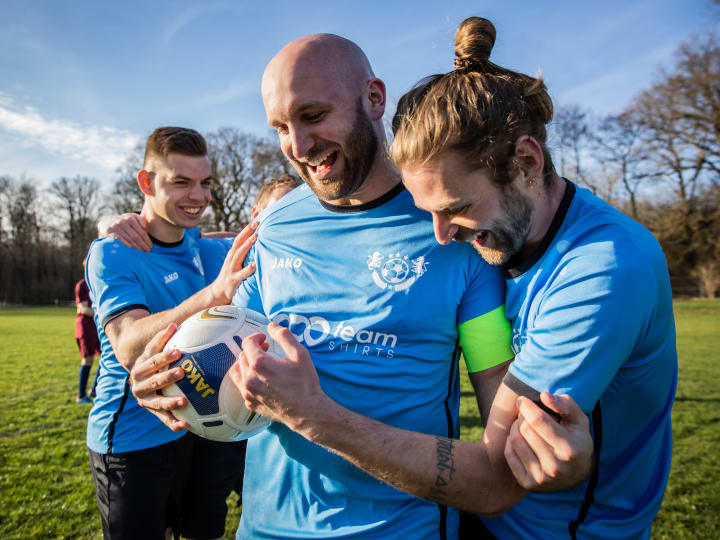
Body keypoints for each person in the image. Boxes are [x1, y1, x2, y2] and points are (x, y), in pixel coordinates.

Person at [129, 34, 594, 539]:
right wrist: (166, 377)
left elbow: (497, 482)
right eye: (281, 127)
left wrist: (314, 415)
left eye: (312, 116)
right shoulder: (278, 224)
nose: (298, 147)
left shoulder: (456, 230)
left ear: (374, 98)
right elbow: (229, 348)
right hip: (262, 528)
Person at [389, 17, 678, 539]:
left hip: (562, 529)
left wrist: (313, 414)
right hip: (485, 522)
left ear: (525, 161)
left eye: (456, 208)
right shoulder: (502, 235)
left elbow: (496, 472)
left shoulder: (606, 268)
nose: (439, 236)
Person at [85, 126, 257, 539]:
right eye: (181, 182)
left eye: (204, 183)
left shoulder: (213, 251)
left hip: (201, 426)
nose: (197, 196)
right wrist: (213, 294)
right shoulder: (113, 252)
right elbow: (128, 347)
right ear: (146, 182)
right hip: (131, 438)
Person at [74, 269, 101, 404]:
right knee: (87, 360)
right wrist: (102, 313)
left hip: (98, 327)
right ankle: (81, 396)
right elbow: (83, 308)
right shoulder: (82, 285)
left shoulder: (97, 282)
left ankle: (95, 390)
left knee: (106, 356)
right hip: (85, 328)